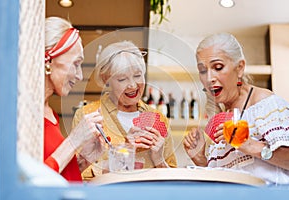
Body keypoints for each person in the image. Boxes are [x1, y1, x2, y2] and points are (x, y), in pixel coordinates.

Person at [183, 33, 289, 184]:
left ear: (240, 68)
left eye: (218, 67)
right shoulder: (221, 118)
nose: (209, 78)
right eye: (203, 70)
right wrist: (201, 160)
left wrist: (248, 144)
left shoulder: (266, 104)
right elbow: (232, 177)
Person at [72, 41, 177, 178]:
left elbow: (173, 179)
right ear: (106, 80)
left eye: (138, 75)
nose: (133, 85)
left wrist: (159, 160)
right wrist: (124, 151)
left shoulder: (158, 118)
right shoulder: (88, 115)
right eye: (122, 79)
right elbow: (75, 174)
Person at [44, 17, 105, 182]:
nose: (79, 76)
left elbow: (57, 176)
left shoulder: (50, 113)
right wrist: (74, 140)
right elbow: (32, 183)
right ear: (49, 60)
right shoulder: (23, 114)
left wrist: (84, 160)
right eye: (75, 63)